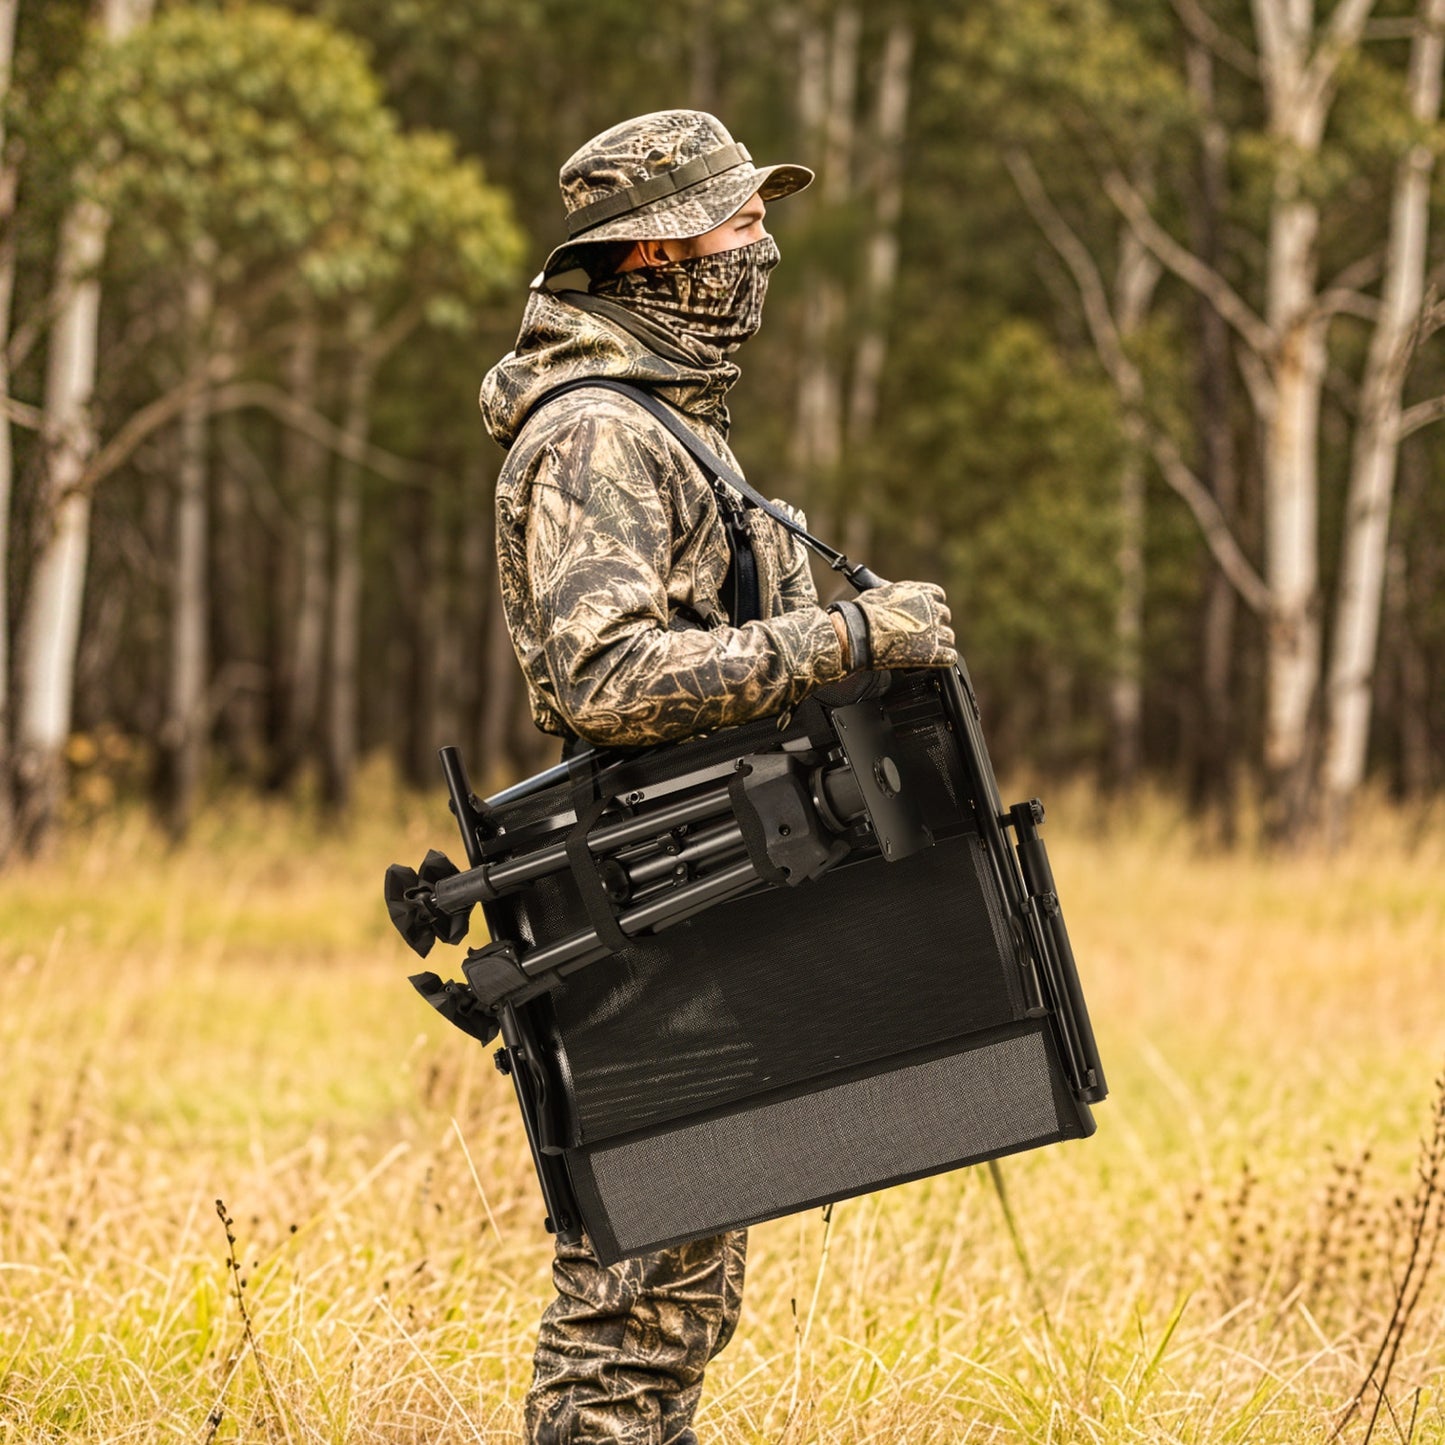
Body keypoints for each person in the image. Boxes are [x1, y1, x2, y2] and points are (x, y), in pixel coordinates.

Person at [478, 109, 956, 1445]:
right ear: (656, 255)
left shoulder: (663, 424)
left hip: (704, 888)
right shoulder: (593, 435)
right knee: (632, 1306)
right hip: (648, 903)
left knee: (680, 1296)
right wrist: (847, 634)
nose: (765, 250)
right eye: (739, 225)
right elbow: (603, 678)